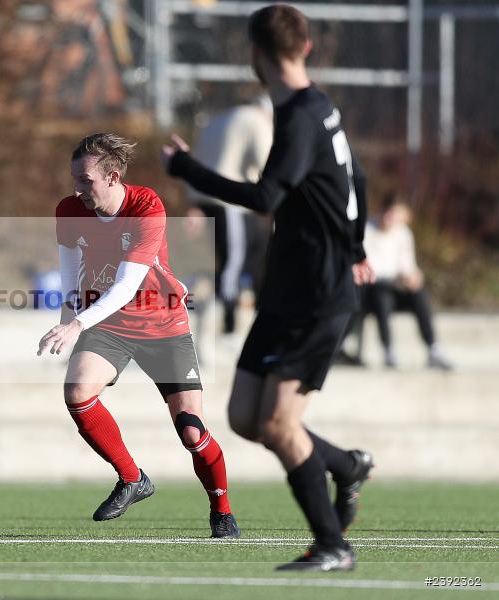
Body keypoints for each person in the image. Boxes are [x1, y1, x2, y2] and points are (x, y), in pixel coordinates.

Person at [161, 5, 375, 571]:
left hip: (318, 292)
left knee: (278, 422)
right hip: (288, 288)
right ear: (305, 46)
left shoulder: (302, 114)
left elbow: (265, 197)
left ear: (254, 54)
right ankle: (346, 466)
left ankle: (332, 545)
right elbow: (356, 179)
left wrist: (187, 170)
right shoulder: (313, 108)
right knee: (245, 417)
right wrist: (357, 246)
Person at [38, 133, 239, 539]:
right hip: (109, 324)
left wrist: (78, 324)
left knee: (191, 430)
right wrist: (66, 320)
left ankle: (222, 510)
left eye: (86, 180)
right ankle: (132, 478)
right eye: (74, 179)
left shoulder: (146, 206)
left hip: (163, 325)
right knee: (77, 391)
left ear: (113, 177)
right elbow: (70, 272)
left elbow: (127, 286)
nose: (77, 189)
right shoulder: (69, 210)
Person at [184, 95, 273, 336]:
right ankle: (227, 321)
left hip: (204, 196)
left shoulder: (219, 119)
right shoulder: (256, 120)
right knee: (234, 261)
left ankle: (215, 315)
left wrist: (193, 201)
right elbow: (266, 162)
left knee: (222, 261)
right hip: (230, 200)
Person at [364, 193, 453, 370]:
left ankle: (433, 349)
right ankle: (388, 349)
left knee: (420, 295)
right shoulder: (367, 229)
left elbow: (407, 266)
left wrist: (412, 277)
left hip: (394, 287)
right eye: (389, 212)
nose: (390, 217)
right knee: (382, 295)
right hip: (370, 290)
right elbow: (368, 268)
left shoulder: (403, 233)